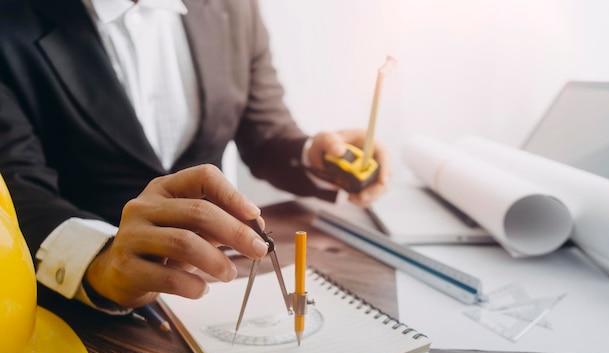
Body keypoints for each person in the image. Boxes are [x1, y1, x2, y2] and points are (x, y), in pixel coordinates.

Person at [0, 0, 390, 313]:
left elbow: (264, 132)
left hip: (222, 286)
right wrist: (103, 263)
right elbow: (16, 190)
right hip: (80, 312)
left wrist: (315, 155)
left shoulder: (234, 6)